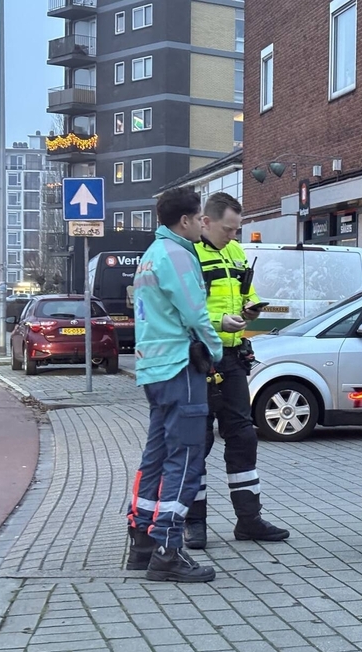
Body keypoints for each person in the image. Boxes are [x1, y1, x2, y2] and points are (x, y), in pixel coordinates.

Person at [124, 187, 223, 583]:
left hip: (152, 367)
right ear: (185, 221)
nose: (203, 223)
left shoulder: (150, 255)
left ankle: (143, 541)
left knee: (157, 454)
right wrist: (214, 349)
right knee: (185, 457)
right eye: (200, 217)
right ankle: (168, 548)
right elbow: (195, 311)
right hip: (180, 368)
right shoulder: (179, 254)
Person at [184, 192, 289, 549]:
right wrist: (219, 322)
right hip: (198, 357)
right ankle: (193, 523)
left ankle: (249, 520)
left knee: (243, 436)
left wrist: (250, 308)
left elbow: (246, 291)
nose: (233, 236)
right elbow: (185, 310)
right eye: (229, 229)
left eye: (237, 230)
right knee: (197, 440)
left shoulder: (235, 252)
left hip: (231, 357)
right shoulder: (188, 255)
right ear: (206, 222)